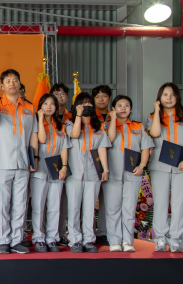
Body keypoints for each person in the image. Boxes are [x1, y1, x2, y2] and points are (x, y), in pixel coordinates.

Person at [0, 69, 38, 254]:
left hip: (23, 162)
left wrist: (34, 158)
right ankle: (4, 240)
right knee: (3, 203)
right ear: (2, 85)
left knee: (21, 203)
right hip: (3, 162)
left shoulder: (30, 107)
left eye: (15, 80)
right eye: (8, 81)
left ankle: (17, 239)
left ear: (19, 83)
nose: (12, 83)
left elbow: (33, 135)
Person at [146, 83, 183, 252]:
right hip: (159, 165)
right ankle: (160, 238)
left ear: (177, 97)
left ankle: (175, 238)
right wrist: (156, 112)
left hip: (182, 165)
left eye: (172, 94)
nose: (168, 98)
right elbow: (154, 133)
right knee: (160, 202)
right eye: (165, 95)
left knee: (178, 202)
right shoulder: (151, 117)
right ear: (159, 98)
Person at [104, 95, 153, 252]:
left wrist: (142, 165)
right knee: (113, 208)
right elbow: (109, 140)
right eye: (119, 105)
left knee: (129, 208)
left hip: (133, 173)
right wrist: (112, 120)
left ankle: (127, 241)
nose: (123, 108)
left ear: (131, 108)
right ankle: (114, 241)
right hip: (113, 173)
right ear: (113, 108)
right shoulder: (107, 126)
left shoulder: (138, 127)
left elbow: (146, 148)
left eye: (126, 105)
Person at [65, 92, 110, 253]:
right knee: (74, 207)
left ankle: (89, 239)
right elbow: (75, 134)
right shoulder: (69, 123)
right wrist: (78, 116)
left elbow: (102, 149)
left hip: (93, 173)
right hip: (75, 173)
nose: (86, 106)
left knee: (90, 208)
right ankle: (75, 239)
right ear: (76, 105)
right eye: (82, 103)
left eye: (89, 103)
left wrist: (105, 169)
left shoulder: (99, 126)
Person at [32, 94, 70, 253]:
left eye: (52, 104)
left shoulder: (61, 126)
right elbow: (41, 139)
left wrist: (64, 166)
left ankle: (52, 237)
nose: (49, 106)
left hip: (56, 169)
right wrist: (40, 120)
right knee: (38, 206)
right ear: (40, 106)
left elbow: (64, 148)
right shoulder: (35, 123)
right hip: (40, 169)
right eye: (45, 103)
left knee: (54, 206)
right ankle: (39, 238)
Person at [50, 83, 72, 246]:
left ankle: (62, 232)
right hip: (50, 162)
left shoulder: (73, 117)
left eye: (63, 93)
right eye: (56, 94)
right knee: (49, 201)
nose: (60, 96)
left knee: (64, 201)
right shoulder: (46, 117)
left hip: (70, 163)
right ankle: (48, 233)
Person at [92, 84, 113, 247]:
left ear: (110, 98)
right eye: (98, 96)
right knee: (90, 200)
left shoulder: (116, 116)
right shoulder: (90, 117)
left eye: (104, 96)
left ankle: (104, 232)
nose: (101, 99)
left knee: (108, 200)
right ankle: (90, 232)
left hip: (113, 162)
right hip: (93, 162)